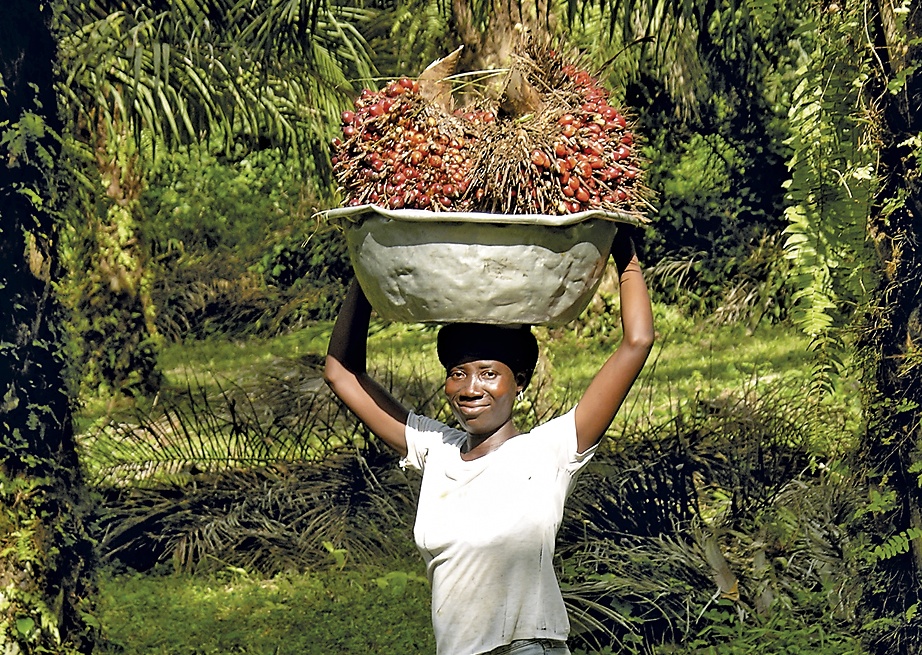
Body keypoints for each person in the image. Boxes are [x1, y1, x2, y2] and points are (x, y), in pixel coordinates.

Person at [324, 235, 654, 655]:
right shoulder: (436, 449)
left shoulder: (549, 451)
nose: (469, 388)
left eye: (487, 373)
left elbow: (637, 342)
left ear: (519, 382)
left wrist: (622, 249)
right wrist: (365, 267)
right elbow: (341, 373)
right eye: (458, 373)